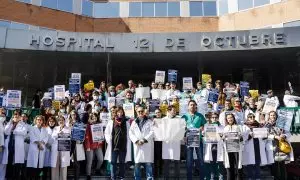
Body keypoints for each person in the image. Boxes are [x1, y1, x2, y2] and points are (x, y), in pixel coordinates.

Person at [264, 111, 294, 180]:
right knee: (274, 165)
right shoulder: (266, 125)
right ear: (269, 116)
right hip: (272, 146)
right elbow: (265, 135)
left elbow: (288, 133)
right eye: (271, 115)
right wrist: (274, 137)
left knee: (282, 164)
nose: (273, 116)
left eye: (274, 115)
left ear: (276, 116)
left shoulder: (281, 124)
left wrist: (284, 135)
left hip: (281, 146)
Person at [182, 100, 207, 180]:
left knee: (200, 160)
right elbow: (181, 128)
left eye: (193, 105)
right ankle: (189, 178)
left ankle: (202, 178)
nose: (192, 106)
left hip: (198, 139)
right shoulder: (184, 116)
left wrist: (201, 128)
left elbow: (204, 125)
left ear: (196, 106)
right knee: (189, 161)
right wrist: (185, 131)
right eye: (191, 105)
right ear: (188, 106)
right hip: (189, 141)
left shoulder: (200, 116)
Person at [105, 106, 132, 180]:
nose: (120, 113)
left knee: (122, 162)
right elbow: (107, 133)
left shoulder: (126, 122)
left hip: (123, 145)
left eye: (121, 112)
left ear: (123, 112)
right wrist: (108, 139)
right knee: (113, 162)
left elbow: (130, 133)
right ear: (116, 113)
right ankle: (113, 177)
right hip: (114, 145)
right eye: (118, 112)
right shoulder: (111, 122)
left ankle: (121, 176)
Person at [129, 106, 154, 180]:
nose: (140, 113)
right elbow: (131, 133)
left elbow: (152, 132)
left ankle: (149, 178)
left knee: (148, 164)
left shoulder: (149, 122)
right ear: (136, 112)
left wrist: (144, 140)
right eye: (139, 111)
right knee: (137, 164)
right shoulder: (134, 122)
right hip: (137, 145)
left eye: (142, 111)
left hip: (146, 145)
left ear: (144, 112)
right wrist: (136, 141)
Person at [2, 110, 27, 180]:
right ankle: (9, 177)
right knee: (9, 162)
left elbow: (24, 132)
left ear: (20, 117)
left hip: (18, 146)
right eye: (15, 114)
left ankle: (16, 177)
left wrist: (14, 131)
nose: (16, 116)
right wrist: (11, 123)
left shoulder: (23, 124)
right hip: (10, 145)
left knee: (17, 164)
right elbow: (6, 132)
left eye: (18, 115)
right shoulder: (10, 123)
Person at [242, 113, 268, 180]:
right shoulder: (244, 127)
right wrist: (249, 136)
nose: (252, 118)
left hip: (258, 146)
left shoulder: (259, 126)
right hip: (249, 147)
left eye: (253, 117)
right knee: (249, 164)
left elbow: (264, 136)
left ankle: (258, 177)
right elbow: (242, 138)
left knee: (257, 163)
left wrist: (264, 135)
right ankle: (250, 177)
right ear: (247, 118)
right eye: (250, 117)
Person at [222, 113, 244, 180]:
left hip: (236, 149)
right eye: (228, 118)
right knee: (229, 165)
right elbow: (223, 139)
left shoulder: (238, 127)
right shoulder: (225, 128)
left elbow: (242, 138)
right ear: (227, 120)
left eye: (231, 117)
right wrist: (223, 138)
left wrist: (240, 137)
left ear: (233, 118)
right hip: (228, 149)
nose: (230, 119)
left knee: (238, 166)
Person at [162, 105, 181, 180]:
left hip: (176, 143)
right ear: (169, 111)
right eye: (173, 110)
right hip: (167, 143)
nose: (175, 112)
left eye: (175, 110)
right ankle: (166, 178)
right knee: (166, 162)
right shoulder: (163, 120)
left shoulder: (179, 119)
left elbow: (181, 130)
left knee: (177, 162)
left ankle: (177, 178)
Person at [27, 115, 49, 180]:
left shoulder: (44, 129)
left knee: (40, 167)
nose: (39, 121)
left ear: (42, 121)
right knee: (33, 166)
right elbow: (32, 137)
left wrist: (41, 143)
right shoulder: (32, 128)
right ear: (35, 120)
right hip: (34, 148)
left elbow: (46, 138)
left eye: (40, 120)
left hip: (41, 149)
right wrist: (39, 144)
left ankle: (39, 177)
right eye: (38, 119)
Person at [203, 112, 224, 180]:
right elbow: (204, 137)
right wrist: (204, 134)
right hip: (211, 148)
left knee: (220, 165)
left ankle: (220, 177)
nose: (214, 119)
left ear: (218, 118)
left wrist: (222, 136)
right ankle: (213, 177)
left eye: (216, 117)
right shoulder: (207, 126)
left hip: (219, 148)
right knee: (212, 164)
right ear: (211, 118)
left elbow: (225, 137)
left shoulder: (222, 127)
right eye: (213, 117)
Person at [84, 113, 104, 180]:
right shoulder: (88, 126)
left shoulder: (99, 125)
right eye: (93, 118)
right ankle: (88, 175)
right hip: (90, 145)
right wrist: (88, 146)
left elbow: (101, 135)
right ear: (90, 118)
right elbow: (86, 137)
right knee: (90, 161)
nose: (94, 119)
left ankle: (97, 169)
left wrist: (101, 140)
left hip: (98, 145)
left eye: (95, 117)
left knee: (101, 159)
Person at [153, 108, 163, 177]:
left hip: (163, 141)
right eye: (156, 113)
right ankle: (156, 172)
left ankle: (161, 171)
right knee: (156, 157)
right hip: (155, 141)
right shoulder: (153, 120)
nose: (157, 114)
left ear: (161, 113)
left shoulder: (164, 120)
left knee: (161, 157)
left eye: (159, 112)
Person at [0, 108, 6, 180]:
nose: (3, 113)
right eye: (1, 112)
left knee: (3, 163)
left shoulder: (5, 121)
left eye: (4, 113)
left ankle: (2, 178)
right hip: (0, 145)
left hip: (4, 145)